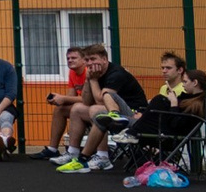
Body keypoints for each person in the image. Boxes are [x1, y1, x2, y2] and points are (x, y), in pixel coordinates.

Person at [57, 45, 147, 174]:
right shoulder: (94, 73)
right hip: (110, 112)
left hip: (133, 114)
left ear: (104, 59)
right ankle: (73, 153)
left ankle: (103, 156)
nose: (90, 63)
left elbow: (101, 100)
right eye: (87, 60)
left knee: (96, 110)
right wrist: (88, 80)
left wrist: (93, 80)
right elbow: (86, 100)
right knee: (77, 109)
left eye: (93, 59)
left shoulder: (116, 73)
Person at [37, 47, 88, 160]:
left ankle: (73, 151)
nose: (70, 60)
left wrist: (63, 98)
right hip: (81, 106)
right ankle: (52, 149)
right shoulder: (72, 72)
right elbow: (71, 97)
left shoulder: (88, 72)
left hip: (93, 107)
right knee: (59, 109)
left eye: (74, 58)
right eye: (68, 58)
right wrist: (58, 99)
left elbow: (89, 100)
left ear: (84, 60)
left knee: (76, 108)